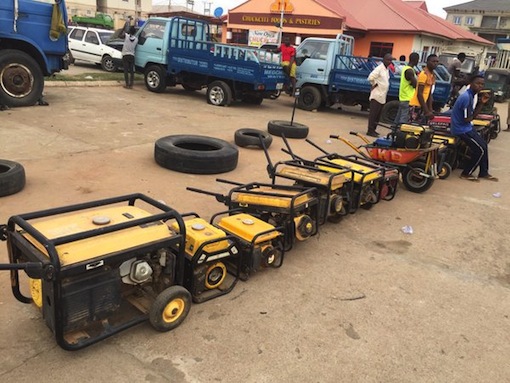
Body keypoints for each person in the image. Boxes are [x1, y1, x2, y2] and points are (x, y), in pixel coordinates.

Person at [451, 75, 498, 182]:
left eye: (482, 84)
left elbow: (471, 117)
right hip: (461, 129)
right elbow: (468, 118)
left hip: (467, 127)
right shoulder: (466, 97)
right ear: (471, 84)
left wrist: (482, 103)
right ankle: (466, 173)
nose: (480, 86)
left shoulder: (472, 95)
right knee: (480, 150)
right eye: (477, 83)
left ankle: (484, 172)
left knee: (484, 145)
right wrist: (477, 109)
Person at [366, 53, 393, 137]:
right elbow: (370, 77)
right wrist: (375, 84)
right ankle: (370, 130)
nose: (389, 61)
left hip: (382, 95)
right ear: (383, 60)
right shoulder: (379, 68)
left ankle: (374, 129)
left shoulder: (386, 69)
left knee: (378, 115)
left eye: (391, 60)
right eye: (388, 60)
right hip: (377, 95)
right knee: (373, 114)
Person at [409, 54, 439, 124]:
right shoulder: (424, 74)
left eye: (437, 62)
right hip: (416, 105)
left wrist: (430, 109)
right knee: (412, 128)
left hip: (422, 105)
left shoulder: (431, 75)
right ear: (427, 62)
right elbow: (419, 94)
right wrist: (427, 111)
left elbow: (429, 94)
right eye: (433, 61)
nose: (435, 63)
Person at [394, 52, 419, 125]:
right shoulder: (410, 71)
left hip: (403, 97)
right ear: (415, 60)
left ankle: (394, 132)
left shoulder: (405, 68)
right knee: (404, 119)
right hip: (408, 98)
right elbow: (415, 84)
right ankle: (400, 134)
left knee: (398, 118)